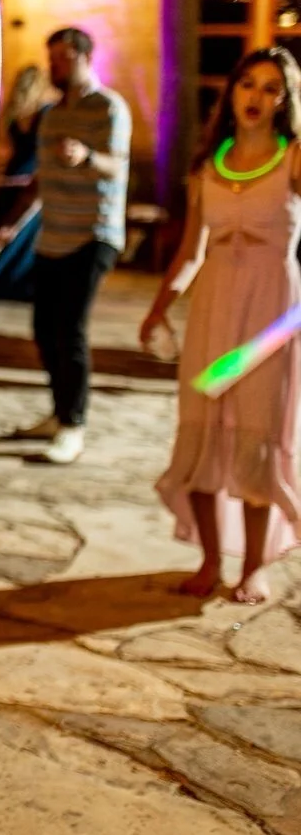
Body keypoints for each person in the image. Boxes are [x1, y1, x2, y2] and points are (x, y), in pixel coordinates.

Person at [140, 46, 301, 604]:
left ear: (284, 102)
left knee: (258, 434)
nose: (256, 96)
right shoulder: (209, 164)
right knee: (203, 429)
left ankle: (253, 566)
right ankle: (210, 558)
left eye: (270, 88)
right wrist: (160, 306)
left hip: (274, 317)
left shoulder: (294, 159)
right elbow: (190, 250)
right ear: (231, 92)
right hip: (214, 310)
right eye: (247, 84)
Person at [11, 27, 132, 464]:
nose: (53, 67)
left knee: (71, 330)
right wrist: (11, 224)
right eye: (52, 59)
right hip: (53, 235)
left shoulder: (109, 107)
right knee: (44, 330)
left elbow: (117, 166)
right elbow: (41, 181)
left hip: (94, 234)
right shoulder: (50, 114)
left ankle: (73, 427)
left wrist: (87, 156)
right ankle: (59, 412)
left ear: (84, 56)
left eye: (61, 58)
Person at [0, 64, 52, 300]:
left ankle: (2, 282)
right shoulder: (26, 114)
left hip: (26, 178)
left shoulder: (42, 114)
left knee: (15, 231)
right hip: (15, 178)